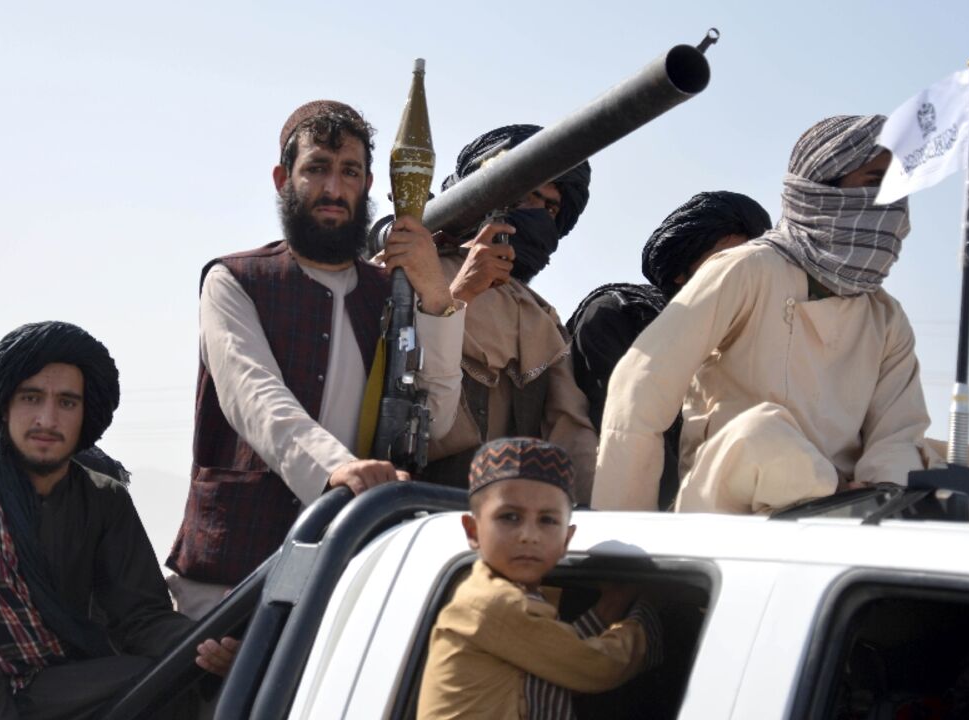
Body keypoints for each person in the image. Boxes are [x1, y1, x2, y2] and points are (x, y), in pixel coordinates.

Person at [593, 115, 969, 515]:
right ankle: (848, 503)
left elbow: (898, 428)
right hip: (740, 488)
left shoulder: (885, 316)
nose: (891, 201)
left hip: (862, 495)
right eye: (875, 180)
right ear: (822, 187)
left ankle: (872, 510)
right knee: (764, 434)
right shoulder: (748, 268)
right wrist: (627, 532)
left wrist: (881, 485)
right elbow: (642, 383)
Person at [166, 100, 466, 619]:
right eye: (316, 170)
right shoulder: (235, 281)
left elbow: (433, 416)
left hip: (347, 568)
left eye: (349, 172)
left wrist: (437, 296)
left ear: (369, 183)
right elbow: (256, 399)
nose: (333, 189)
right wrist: (340, 469)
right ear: (284, 178)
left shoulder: (389, 294)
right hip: (231, 576)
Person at [0, 322, 226, 719]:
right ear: (4, 407)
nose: (47, 419)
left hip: (58, 691)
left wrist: (208, 646)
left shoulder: (104, 499)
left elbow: (141, 618)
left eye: (67, 403)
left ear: (85, 415)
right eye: (31, 398)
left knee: (174, 677)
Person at [414, 125, 599, 500]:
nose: (542, 217)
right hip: (409, 509)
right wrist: (461, 292)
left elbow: (570, 430)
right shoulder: (413, 270)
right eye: (530, 197)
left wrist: (600, 520)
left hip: (509, 520)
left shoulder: (540, 316)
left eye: (551, 208)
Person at [417, 437, 661, 719]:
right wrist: (648, 617)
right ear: (473, 531)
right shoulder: (492, 603)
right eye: (509, 517)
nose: (529, 536)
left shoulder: (514, 604)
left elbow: (557, 657)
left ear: (566, 539)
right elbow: (593, 667)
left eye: (547, 520)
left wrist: (612, 605)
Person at [567, 192, 771, 508]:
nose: (740, 276)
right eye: (725, 262)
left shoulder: (751, 338)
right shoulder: (619, 317)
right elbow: (621, 440)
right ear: (681, 270)